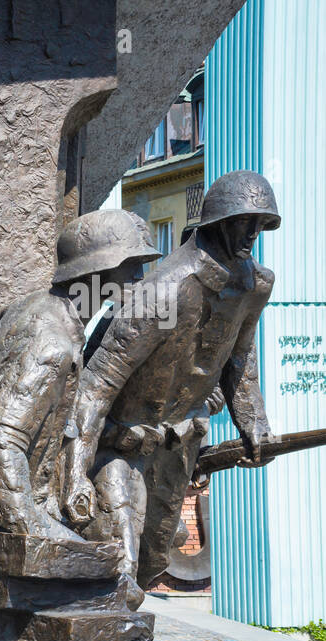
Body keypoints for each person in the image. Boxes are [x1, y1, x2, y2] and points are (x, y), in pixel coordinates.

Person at [63, 171, 281, 587]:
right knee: (117, 561)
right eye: (242, 221)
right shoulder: (163, 291)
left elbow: (240, 359)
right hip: (119, 446)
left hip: (179, 446)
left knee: (150, 562)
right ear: (217, 222)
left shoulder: (257, 285)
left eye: (260, 223)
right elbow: (96, 386)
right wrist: (74, 472)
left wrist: (254, 423)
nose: (252, 233)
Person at [0, 209, 160, 542]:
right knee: (105, 574)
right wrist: (30, 529)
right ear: (98, 270)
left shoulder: (41, 305)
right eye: (130, 264)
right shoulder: (54, 345)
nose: (140, 274)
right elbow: (1, 439)